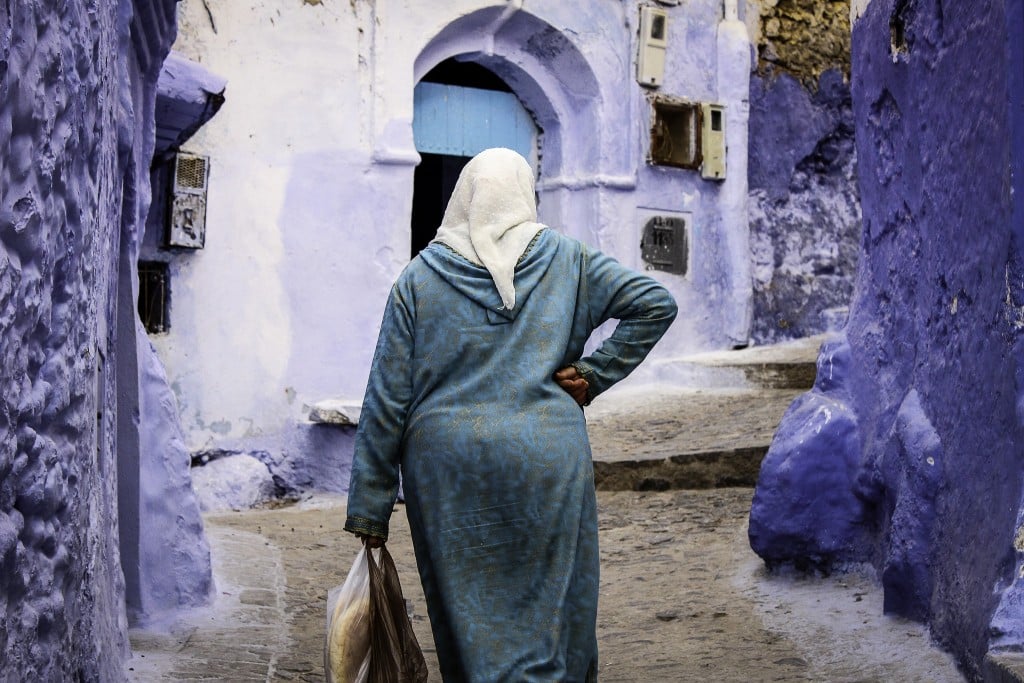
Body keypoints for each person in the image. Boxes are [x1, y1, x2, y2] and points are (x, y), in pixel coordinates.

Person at [344, 147, 677, 682]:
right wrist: (595, 373)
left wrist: (370, 510)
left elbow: (386, 399)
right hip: (546, 454)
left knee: (465, 606)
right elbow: (655, 303)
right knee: (555, 599)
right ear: (526, 195)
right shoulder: (570, 261)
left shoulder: (417, 279)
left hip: (448, 469)